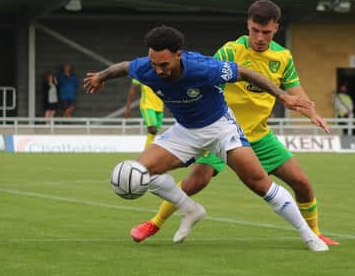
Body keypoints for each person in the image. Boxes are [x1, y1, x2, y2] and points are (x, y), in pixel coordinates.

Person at [84, 25, 329, 251]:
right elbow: (125, 66)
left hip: (220, 128)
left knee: (258, 182)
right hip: (185, 131)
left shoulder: (203, 67)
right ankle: (190, 210)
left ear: (179, 55)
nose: (158, 70)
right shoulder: (147, 68)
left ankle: (308, 234)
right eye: (154, 63)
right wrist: (100, 77)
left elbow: (244, 72)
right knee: (139, 171)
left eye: (164, 65)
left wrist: (282, 96)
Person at [125, 79, 165, 149]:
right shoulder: (140, 72)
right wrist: (128, 106)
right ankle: (146, 154)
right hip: (147, 105)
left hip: (160, 106)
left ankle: (147, 153)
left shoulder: (161, 73)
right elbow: (133, 88)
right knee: (153, 130)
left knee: (154, 133)